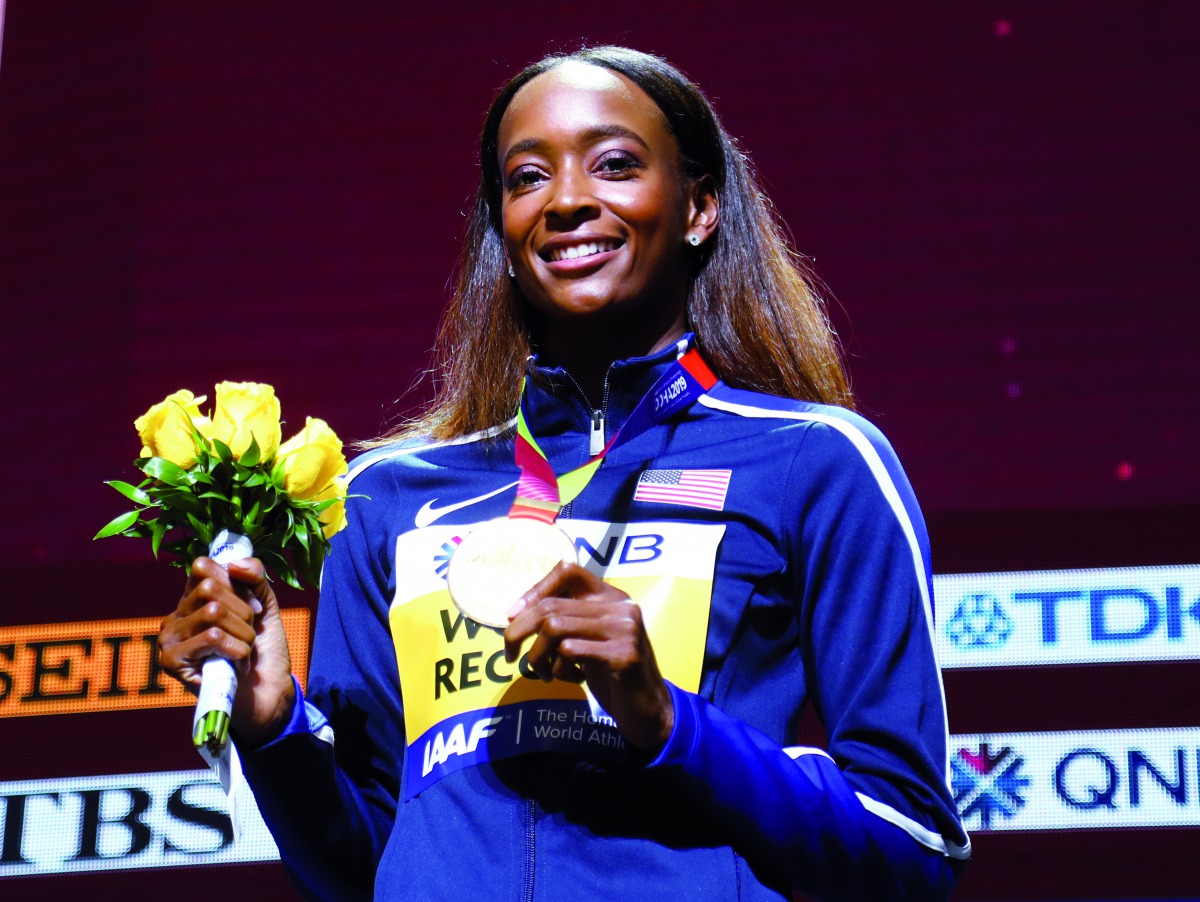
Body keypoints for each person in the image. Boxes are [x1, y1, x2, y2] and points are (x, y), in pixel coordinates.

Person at [159, 46, 970, 901]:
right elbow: (363, 867)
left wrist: (665, 719)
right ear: (503, 233)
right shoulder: (390, 497)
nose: (568, 200)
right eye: (527, 178)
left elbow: (912, 850)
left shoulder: (814, 462)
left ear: (699, 207)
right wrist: (274, 726)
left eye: (615, 165)